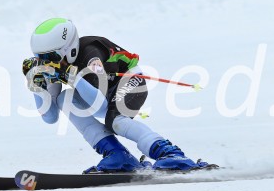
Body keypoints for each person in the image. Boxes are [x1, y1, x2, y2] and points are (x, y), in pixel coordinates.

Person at [22, 17, 205, 173]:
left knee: (116, 121)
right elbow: (50, 117)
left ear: (69, 49)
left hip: (129, 80)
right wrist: (36, 86)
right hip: (98, 92)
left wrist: (73, 76)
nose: (45, 63)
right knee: (64, 98)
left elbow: (100, 106)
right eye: (40, 57)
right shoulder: (55, 64)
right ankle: (118, 156)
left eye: (51, 57)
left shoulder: (91, 54)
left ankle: (170, 153)